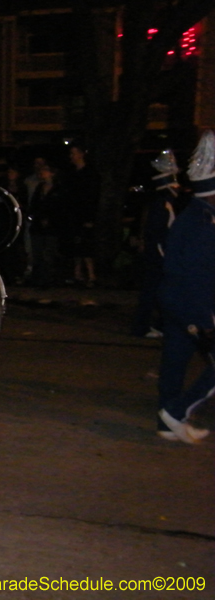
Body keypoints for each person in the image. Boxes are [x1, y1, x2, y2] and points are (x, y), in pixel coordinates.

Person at [156, 130, 215, 444]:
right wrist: (206, 317)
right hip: (192, 303)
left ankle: (167, 422)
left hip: (178, 300)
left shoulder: (196, 215)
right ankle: (175, 413)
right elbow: (199, 274)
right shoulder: (205, 221)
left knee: (175, 362)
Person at [131, 149, 179, 338]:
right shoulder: (163, 204)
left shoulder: (165, 203)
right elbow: (158, 233)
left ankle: (159, 325)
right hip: (158, 255)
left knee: (158, 293)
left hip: (160, 254)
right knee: (152, 293)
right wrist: (163, 255)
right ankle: (141, 327)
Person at [64, 142, 100, 287]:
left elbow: (92, 197)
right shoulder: (72, 174)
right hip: (73, 215)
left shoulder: (90, 174)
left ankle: (91, 275)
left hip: (85, 215)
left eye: (73, 153)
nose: (71, 157)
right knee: (75, 246)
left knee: (86, 246)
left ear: (81, 154)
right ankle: (77, 274)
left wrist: (90, 217)